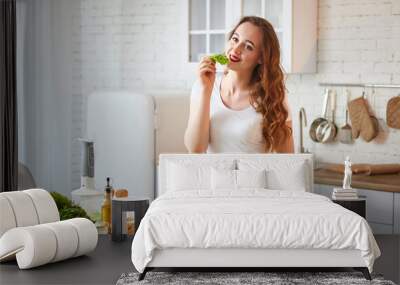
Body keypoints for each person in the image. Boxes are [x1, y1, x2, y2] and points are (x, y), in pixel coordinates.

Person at [184, 16, 294, 154]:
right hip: (212, 175)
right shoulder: (202, 86)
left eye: (248, 46)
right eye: (235, 39)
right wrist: (206, 91)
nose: (236, 49)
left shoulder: (273, 98)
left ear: (261, 58)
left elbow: (287, 161)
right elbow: (195, 149)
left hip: (254, 176)